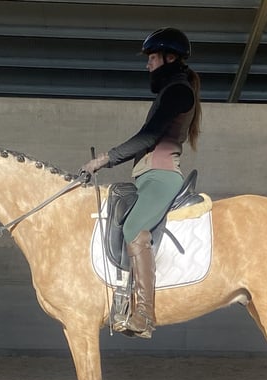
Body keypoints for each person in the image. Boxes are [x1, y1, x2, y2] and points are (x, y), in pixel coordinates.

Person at [81, 27, 202, 339]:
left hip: (161, 176)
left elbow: (148, 137)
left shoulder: (178, 91)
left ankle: (144, 314)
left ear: (170, 57)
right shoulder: (171, 90)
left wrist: (103, 160)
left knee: (134, 226)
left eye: (152, 58)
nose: (148, 64)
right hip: (148, 176)